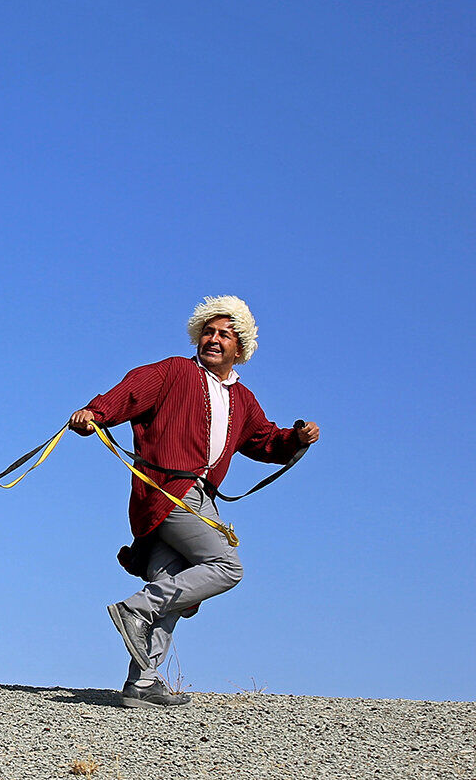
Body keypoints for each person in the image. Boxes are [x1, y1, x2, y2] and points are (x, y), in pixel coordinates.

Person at [68, 295, 319, 708]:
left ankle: (142, 682)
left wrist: (296, 438)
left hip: (201, 496)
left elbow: (264, 440)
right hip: (169, 490)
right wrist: (95, 412)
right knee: (226, 566)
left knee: (171, 583)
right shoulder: (173, 372)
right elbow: (130, 393)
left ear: (240, 347)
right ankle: (136, 609)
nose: (213, 339)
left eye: (224, 334)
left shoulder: (243, 399)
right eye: (208, 331)